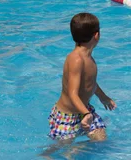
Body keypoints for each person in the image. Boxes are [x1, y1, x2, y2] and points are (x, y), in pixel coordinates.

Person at [48, 13, 116, 142]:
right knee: (64, 150)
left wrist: (103, 97)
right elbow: (72, 94)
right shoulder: (76, 60)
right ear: (96, 35)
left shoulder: (88, 57)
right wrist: (86, 114)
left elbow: (90, 83)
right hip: (68, 116)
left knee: (100, 139)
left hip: (83, 110)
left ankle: (79, 148)